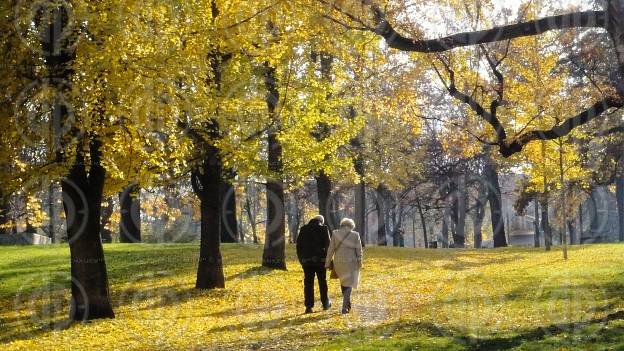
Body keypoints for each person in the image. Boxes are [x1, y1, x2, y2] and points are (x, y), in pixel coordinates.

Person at [325, 218, 363, 314]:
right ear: (351, 226)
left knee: (343, 282)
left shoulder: (335, 233)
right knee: (349, 284)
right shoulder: (355, 235)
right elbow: (359, 251)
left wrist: (327, 263)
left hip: (339, 263)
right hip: (351, 263)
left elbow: (330, 250)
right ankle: (345, 307)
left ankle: (347, 304)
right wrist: (360, 262)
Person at [296, 215, 331, 313]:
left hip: (306, 261)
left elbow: (298, 246)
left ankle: (309, 306)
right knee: (322, 282)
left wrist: (301, 259)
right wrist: (329, 260)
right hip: (321, 260)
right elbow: (328, 245)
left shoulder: (303, 229)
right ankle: (325, 304)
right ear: (321, 221)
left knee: (308, 283)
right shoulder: (324, 228)